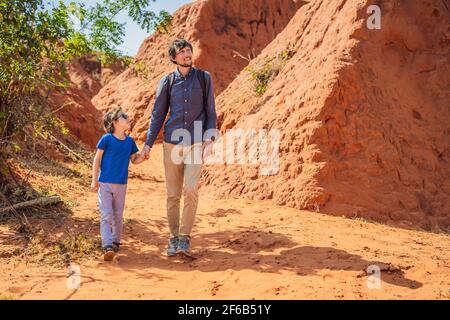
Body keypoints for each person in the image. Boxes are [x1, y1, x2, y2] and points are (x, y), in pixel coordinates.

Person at [142, 39, 218, 257]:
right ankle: (173, 238)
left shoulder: (204, 78)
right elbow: (158, 114)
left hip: (195, 141)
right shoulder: (167, 82)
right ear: (173, 58)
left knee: (191, 188)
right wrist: (148, 143)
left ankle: (185, 238)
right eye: (182, 52)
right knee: (173, 194)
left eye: (188, 50)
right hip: (171, 143)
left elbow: (210, 111)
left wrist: (210, 139)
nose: (187, 54)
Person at [91, 107, 146, 261]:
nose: (127, 117)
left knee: (118, 215)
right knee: (106, 214)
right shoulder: (106, 139)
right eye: (123, 116)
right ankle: (107, 245)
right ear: (115, 122)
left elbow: (134, 160)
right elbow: (97, 159)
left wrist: (143, 157)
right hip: (105, 183)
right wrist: (94, 179)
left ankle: (115, 241)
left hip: (121, 184)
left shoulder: (130, 142)